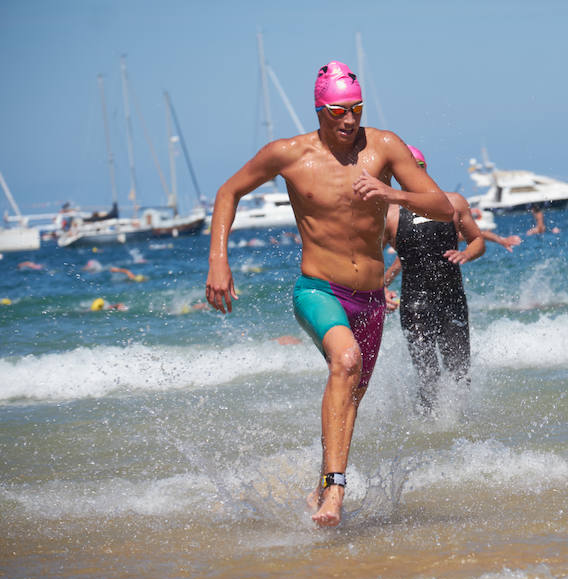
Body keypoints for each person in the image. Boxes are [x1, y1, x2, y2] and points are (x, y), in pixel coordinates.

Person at [205, 61, 453, 527]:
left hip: (371, 300)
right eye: (339, 111)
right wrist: (219, 258)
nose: (350, 119)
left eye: (356, 109)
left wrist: (391, 194)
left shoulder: (384, 146)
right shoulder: (288, 154)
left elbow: (442, 206)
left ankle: (320, 490)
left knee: (351, 394)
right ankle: (337, 488)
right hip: (318, 289)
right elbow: (228, 192)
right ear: (320, 110)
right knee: (346, 360)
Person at [382, 145, 485, 413]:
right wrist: (378, 290)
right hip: (415, 303)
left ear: (425, 168)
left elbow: (477, 240)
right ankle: (428, 425)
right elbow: (367, 258)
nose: (413, 174)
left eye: (418, 168)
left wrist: (467, 254)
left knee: (460, 371)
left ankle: (458, 424)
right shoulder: (390, 214)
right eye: (406, 169)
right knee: (427, 375)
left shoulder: (454, 202)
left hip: (452, 298)